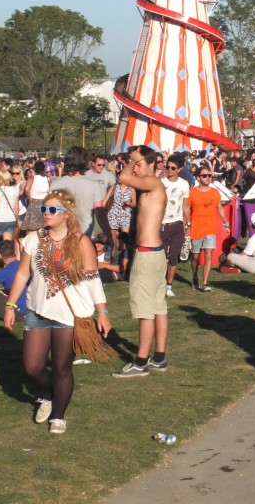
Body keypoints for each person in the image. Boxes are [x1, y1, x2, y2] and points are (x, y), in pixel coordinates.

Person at [3, 190, 111, 435]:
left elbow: (94, 280)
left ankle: (59, 416)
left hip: (69, 315)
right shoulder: (33, 239)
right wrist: (10, 305)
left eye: (53, 210)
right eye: (44, 209)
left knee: (62, 367)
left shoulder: (81, 241)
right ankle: (45, 394)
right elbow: (22, 274)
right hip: (37, 310)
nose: (47, 214)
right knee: (31, 366)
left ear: (66, 214)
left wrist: (102, 312)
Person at [111, 149, 169, 378]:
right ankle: (159, 357)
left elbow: (123, 178)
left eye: (137, 163)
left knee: (146, 310)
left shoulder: (153, 182)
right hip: (154, 252)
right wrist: (135, 158)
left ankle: (141, 361)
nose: (134, 167)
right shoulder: (150, 185)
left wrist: (129, 159)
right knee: (158, 307)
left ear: (151, 162)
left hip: (147, 255)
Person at [187, 165, 227, 292]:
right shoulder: (192, 192)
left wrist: (226, 222)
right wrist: (187, 224)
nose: (208, 178)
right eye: (204, 176)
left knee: (208, 254)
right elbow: (187, 208)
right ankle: (194, 277)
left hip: (210, 228)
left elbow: (220, 207)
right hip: (196, 227)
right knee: (195, 257)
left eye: (209, 175)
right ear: (198, 178)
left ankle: (205, 283)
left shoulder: (215, 192)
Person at [159, 154, 190, 297]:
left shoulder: (184, 184)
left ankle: (169, 285)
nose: (169, 170)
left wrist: (187, 223)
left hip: (177, 223)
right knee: (161, 255)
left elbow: (186, 206)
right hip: (162, 223)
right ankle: (159, 282)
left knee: (173, 256)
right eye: (168, 167)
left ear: (179, 169)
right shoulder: (161, 182)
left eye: (173, 168)